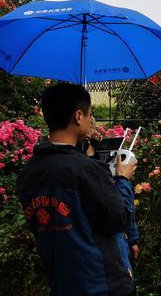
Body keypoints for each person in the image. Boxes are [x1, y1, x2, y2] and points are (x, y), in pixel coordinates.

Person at [17, 83, 137, 296]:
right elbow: (119, 218)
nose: (91, 120)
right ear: (78, 116)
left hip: (63, 283)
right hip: (102, 284)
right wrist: (123, 179)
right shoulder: (85, 169)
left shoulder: (29, 171)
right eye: (90, 114)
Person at [77, 115, 141, 261]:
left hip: (117, 232)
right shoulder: (75, 160)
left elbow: (123, 202)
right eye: (88, 123)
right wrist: (122, 179)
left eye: (92, 125)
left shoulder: (103, 152)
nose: (90, 128)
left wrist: (132, 238)